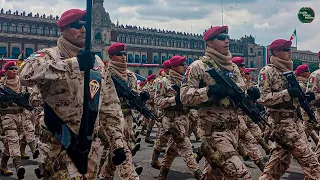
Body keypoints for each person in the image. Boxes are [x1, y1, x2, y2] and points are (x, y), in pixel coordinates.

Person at [19, 8, 127, 179]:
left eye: (86, 25)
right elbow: (25, 74)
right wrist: (74, 64)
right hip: (58, 141)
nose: (83, 29)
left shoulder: (97, 63)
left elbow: (109, 104)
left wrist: (117, 142)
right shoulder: (48, 55)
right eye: (76, 25)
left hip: (89, 145)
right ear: (62, 29)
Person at [180, 25, 252, 179]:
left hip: (233, 131)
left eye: (227, 37)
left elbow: (241, 90)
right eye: (221, 37)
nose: (227, 40)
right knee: (241, 175)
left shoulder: (233, 67)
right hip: (214, 133)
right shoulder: (198, 67)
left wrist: (247, 94)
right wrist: (209, 91)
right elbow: (184, 96)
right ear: (209, 42)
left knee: (214, 176)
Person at [258, 39, 320, 179]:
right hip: (282, 124)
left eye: (289, 49)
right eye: (286, 50)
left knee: (279, 164)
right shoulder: (267, 71)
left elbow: (295, 98)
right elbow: (263, 98)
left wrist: (305, 96)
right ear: (275, 52)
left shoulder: (288, 71)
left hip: (295, 122)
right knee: (311, 163)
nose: (289, 52)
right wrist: (288, 94)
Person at [155, 55, 202, 180]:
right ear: (174, 67)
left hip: (185, 118)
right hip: (172, 120)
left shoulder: (186, 82)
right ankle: (199, 174)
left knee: (172, 149)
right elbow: (157, 101)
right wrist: (174, 100)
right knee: (186, 147)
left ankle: (162, 175)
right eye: (182, 65)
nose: (185, 66)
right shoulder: (163, 82)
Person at [0, 61, 26, 178]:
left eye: (16, 68)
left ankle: (3, 165)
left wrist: (26, 98)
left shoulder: (22, 83)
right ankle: (18, 166)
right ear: (6, 71)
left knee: (12, 143)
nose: (15, 70)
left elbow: (30, 97)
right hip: (7, 116)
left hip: (20, 116)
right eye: (11, 68)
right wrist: (4, 100)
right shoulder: (1, 84)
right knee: (13, 140)